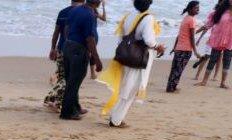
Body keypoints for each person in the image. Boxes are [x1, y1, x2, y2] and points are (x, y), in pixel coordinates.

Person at [99, 0, 166, 128]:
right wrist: (158, 46)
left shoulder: (128, 15)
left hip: (126, 55)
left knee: (125, 87)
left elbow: (121, 37)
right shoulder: (148, 18)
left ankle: (115, 115)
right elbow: (149, 40)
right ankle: (116, 119)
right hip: (138, 58)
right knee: (130, 90)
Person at [61, 0, 105, 120]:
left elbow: (66, 29)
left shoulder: (75, 10)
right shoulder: (89, 15)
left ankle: (75, 107)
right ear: (98, 3)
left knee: (71, 80)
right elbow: (90, 39)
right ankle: (67, 112)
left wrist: (69, 42)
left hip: (69, 46)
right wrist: (97, 59)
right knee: (74, 82)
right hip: (78, 50)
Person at [45, 1, 85, 112]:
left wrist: (53, 48)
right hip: (76, 50)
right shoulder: (84, 13)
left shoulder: (63, 12)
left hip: (62, 48)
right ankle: (54, 101)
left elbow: (56, 32)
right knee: (71, 79)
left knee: (63, 76)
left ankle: (71, 104)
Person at [195, 0, 232, 88]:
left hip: (230, 41)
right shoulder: (219, 12)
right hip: (217, 40)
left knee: (227, 62)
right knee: (212, 60)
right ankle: (204, 81)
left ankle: (222, 83)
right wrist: (195, 32)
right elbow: (208, 25)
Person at [167, 1, 203, 92]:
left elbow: (180, 35)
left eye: (198, 8)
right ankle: (172, 88)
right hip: (186, 49)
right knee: (179, 69)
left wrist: (174, 47)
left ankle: (170, 86)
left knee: (174, 68)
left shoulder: (185, 18)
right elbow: (191, 37)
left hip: (179, 48)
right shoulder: (192, 20)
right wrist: (195, 51)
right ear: (190, 9)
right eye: (196, 8)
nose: (198, 9)